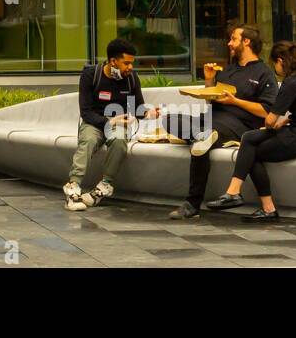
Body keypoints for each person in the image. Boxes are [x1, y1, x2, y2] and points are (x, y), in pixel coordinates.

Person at [205, 41, 296, 222]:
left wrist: (272, 125)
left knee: (250, 148)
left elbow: (270, 119)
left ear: (280, 61)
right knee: (249, 141)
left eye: (275, 65)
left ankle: (240, 195)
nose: (275, 69)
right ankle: (248, 199)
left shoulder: (291, 82)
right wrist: (284, 121)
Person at [163, 23, 278, 219]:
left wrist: (236, 102)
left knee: (202, 144)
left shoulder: (264, 73)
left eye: (233, 39)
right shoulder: (228, 70)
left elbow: (267, 111)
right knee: (170, 120)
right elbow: (211, 99)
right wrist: (209, 81)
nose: (229, 43)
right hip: (211, 120)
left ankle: (192, 204)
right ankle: (203, 136)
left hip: (239, 125)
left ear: (246, 41)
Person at [63, 38, 160, 211]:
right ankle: (73, 187)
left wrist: (148, 113)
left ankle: (104, 187)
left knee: (119, 141)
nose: (130, 67)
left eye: (132, 63)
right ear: (113, 61)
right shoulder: (91, 75)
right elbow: (86, 112)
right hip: (93, 123)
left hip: (117, 126)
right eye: (126, 63)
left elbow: (137, 108)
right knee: (89, 141)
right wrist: (108, 121)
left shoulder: (131, 78)